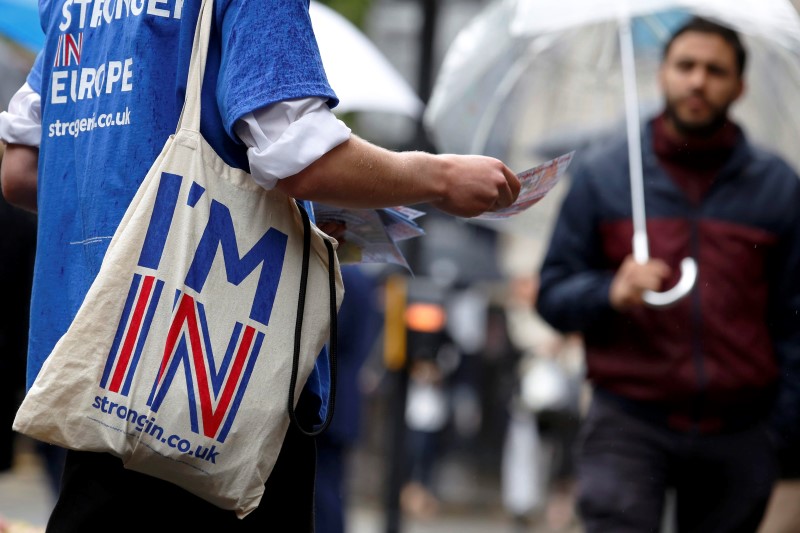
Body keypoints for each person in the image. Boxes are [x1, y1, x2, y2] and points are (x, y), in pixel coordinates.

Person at [0, 1, 521, 531]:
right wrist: (439, 175)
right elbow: (299, 153)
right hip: (219, 385)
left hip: (92, 368)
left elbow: (21, 169)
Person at [536, 16, 800, 533]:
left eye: (715, 70)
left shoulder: (778, 188)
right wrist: (609, 291)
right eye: (685, 66)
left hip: (741, 428)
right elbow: (552, 294)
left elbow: (794, 320)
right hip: (630, 419)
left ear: (739, 86)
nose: (698, 81)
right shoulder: (606, 174)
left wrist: (782, 431)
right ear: (663, 74)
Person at [314, 265, 382, 533]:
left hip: (332, 402)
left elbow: (332, 330)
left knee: (324, 490)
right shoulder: (364, 281)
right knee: (330, 487)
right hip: (343, 402)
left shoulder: (348, 278)